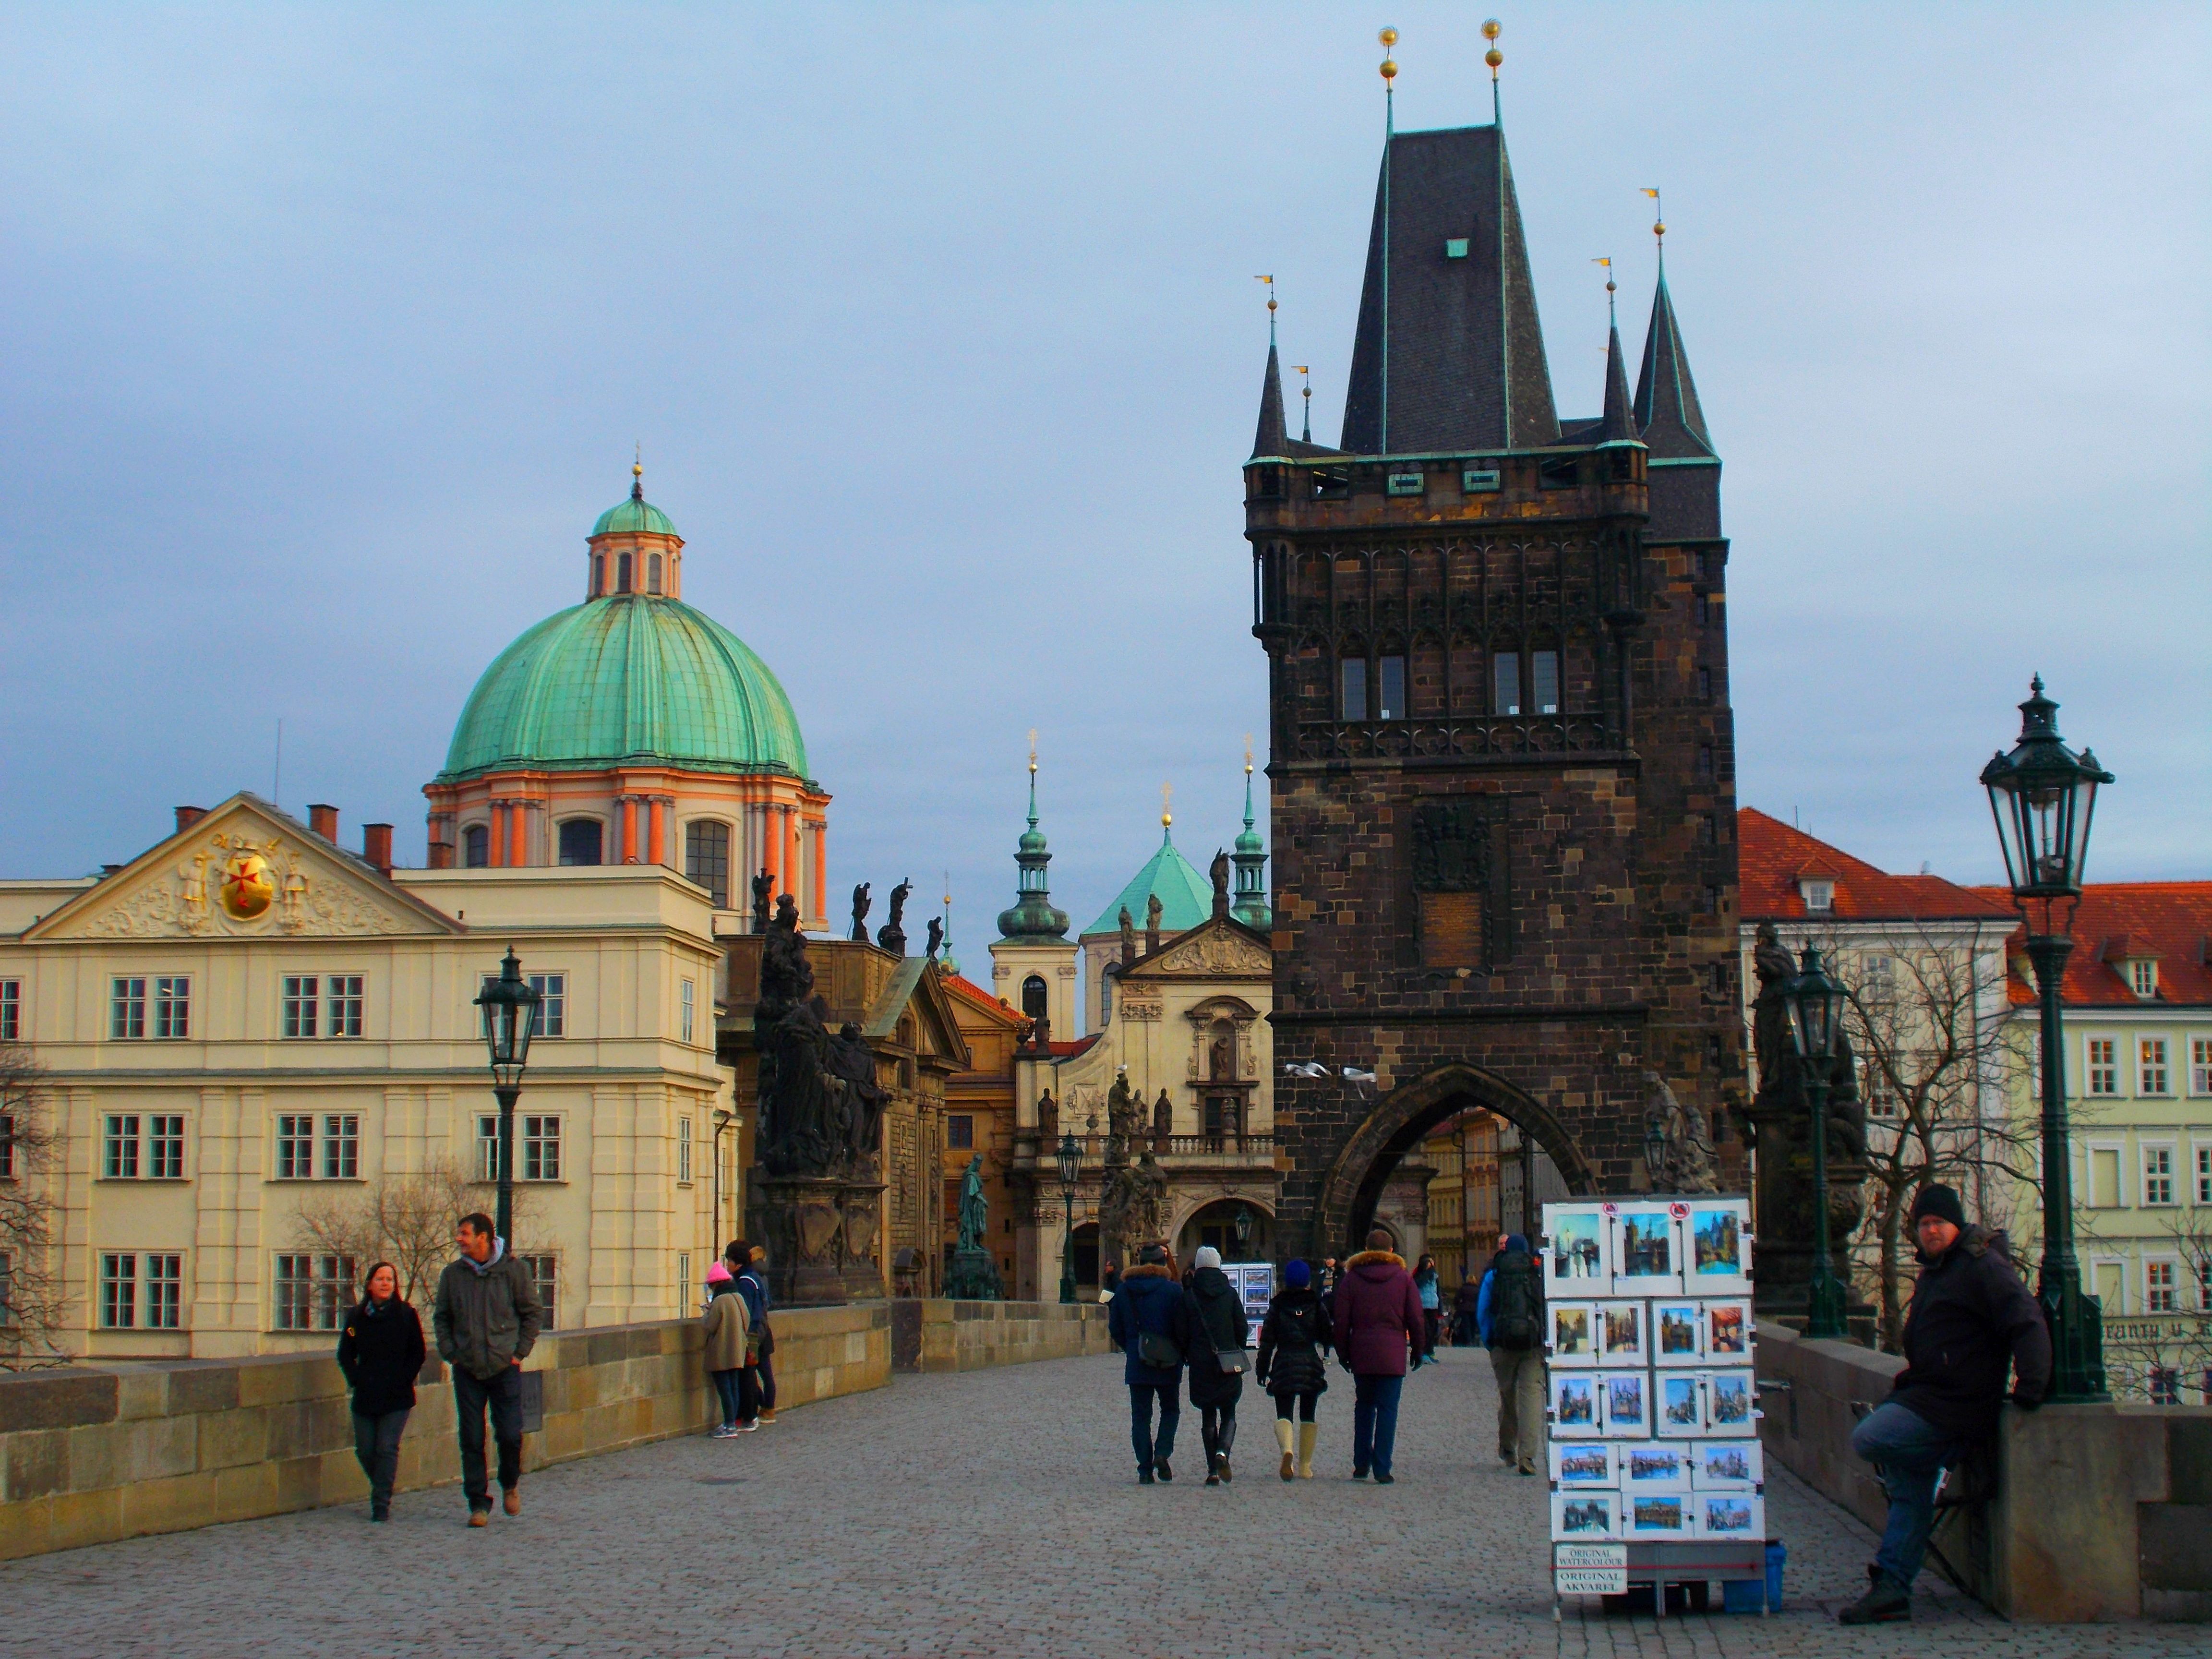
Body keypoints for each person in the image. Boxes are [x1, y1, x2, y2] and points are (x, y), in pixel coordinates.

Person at [1840, 1184, 2049, 1625]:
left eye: (1938, 1223)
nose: (1931, 1231)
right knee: (1910, 1484)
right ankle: (1892, 1588)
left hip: (1956, 1408)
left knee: (1871, 1438)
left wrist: (2032, 1384)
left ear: (1957, 1225)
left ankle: (1895, 1576)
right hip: (1929, 1396)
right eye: (1924, 1225)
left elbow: (2025, 1319)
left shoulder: (1982, 1267)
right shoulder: (1939, 1270)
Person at [433, 1212, 543, 1527]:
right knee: (471, 1437)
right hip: (467, 1366)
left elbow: (533, 1313)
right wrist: (451, 1352)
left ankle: (509, 1482)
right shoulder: (453, 1275)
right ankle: (478, 1503)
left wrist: (519, 1352)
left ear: (483, 1237)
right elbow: (442, 1317)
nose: (459, 1239)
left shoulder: (513, 1271)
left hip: (503, 1366)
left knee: (509, 1433)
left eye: (464, 1234)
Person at [336, 1261, 426, 1522]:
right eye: (380, 1279)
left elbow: (418, 1352)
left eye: (390, 1279)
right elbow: (346, 1352)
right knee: (365, 1450)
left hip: (397, 1395)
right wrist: (356, 1379)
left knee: (386, 1447)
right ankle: (383, 1484)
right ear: (369, 1284)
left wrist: (404, 1378)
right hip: (366, 1394)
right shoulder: (356, 1318)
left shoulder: (406, 1315)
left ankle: (381, 1503)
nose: (386, 1284)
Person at [1332, 1229, 1424, 1483]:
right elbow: (1416, 1318)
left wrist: (1343, 1352)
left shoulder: (1352, 1278)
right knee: (1388, 1410)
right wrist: (1418, 1350)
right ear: (1392, 1251)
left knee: (1364, 1407)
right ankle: (1382, 1468)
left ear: (1366, 1249)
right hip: (1393, 1353)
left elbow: (1341, 1320)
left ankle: (1361, 1464)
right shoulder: (1404, 1278)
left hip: (1361, 1351)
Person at [1106, 1242, 1184, 1484]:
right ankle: (1162, 1452)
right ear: (1163, 1264)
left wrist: (1132, 1346)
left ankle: (1144, 1469)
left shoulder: (1123, 1291)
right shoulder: (1173, 1291)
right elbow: (1182, 1327)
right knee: (1170, 1409)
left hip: (1138, 1360)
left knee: (1141, 1416)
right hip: (1169, 1360)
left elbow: (1115, 1328)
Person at [1179, 1245, 1250, 1485]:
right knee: (1229, 1410)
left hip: (1201, 1362)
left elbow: (1182, 1332)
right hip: (1227, 1361)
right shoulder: (1230, 1294)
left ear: (1197, 1267)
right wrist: (1235, 1345)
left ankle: (1213, 1470)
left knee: (1208, 1416)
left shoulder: (1189, 1295)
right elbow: (1243, 1329)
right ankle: (1223, 1452)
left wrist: (1189, 1353)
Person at [1477, 1233, 1545, 1474]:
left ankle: (1508, 1449)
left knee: (1508, 1396)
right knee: (1531, 1397)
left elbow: (1483, 1312)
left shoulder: (1494, 1275)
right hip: (1531, 1344)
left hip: (1502, 1343)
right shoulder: (1536, 1273)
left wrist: (1490, 1343)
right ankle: (1528, 1457)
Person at [1257, 1257, 1331, 1480]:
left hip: (1284, 1362)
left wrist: (1262, 1369)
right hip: (1309, 1362)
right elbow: (1327, 1335)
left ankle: (1287, 1450)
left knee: (1284, 1413)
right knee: (1308, 1414)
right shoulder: (1316, 1304)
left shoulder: (1278, 1306)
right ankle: (1306, 1466)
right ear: (1307, 1281)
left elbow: (1267, 1342)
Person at [701, 1261, 752, 1437]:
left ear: (716, 1284)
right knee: (734, 1387)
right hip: (738, 1349)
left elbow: (709, 1326)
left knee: (725, 1390)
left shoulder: (720, 1301)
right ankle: (732, 1423)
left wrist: (707, 1312)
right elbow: (747, 1320)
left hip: (721, 1351)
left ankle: (729, 1425)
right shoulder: (738, 1297)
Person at [733, 1242, 778, 1426]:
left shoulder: (747, 1280)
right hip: (764, 1331)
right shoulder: (761, 1277)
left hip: (755, 1333)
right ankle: (768, 1408)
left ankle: (760, 1411)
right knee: (765, 1374)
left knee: (750, 1374)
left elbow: (748, 1311)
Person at [1412, 1254, 1442, 1364]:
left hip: (1433, 1306)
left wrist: (1440, 1308)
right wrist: (1427, 1273)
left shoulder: (1435, 1276)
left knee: (1433, 1331)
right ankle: (1423, 1353)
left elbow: (1438, 1292)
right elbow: (1418, 1284)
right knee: (1426, 1331)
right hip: (1421, 1306)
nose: (1432, 1265)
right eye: (1429, 1263)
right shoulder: (1418, 1275)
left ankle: (1429, 1352)